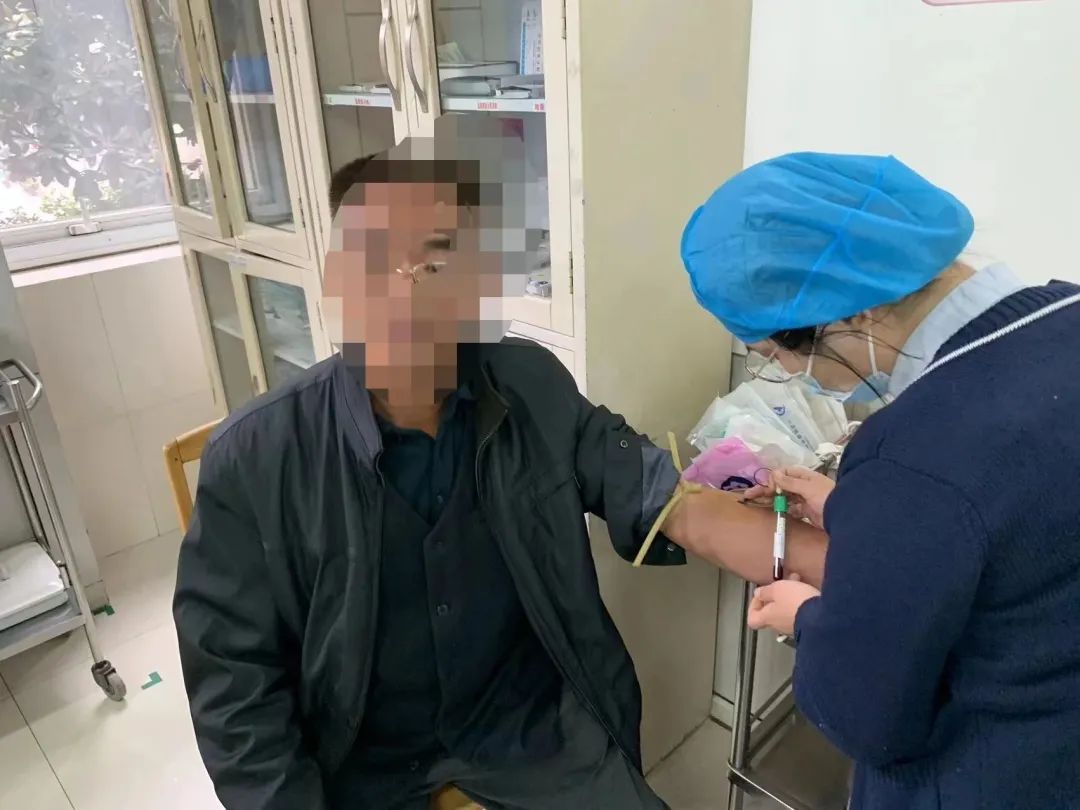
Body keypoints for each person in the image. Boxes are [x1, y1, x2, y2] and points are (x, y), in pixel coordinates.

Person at [171, 120, 800, 810]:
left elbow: (659, 494)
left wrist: (831, 560)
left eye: (441, 262)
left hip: (529, 733)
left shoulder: (531, 384)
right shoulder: (256, 459)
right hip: (355, 760)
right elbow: (235, 693)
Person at [678, 151, 1080, 810]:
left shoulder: (915, 456)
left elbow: (864, 717)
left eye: (777, 354)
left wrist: (807, 621)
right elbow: (1015, 530)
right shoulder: (1066, 314)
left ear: (851, 313)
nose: (793, 375)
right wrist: (856, 510)